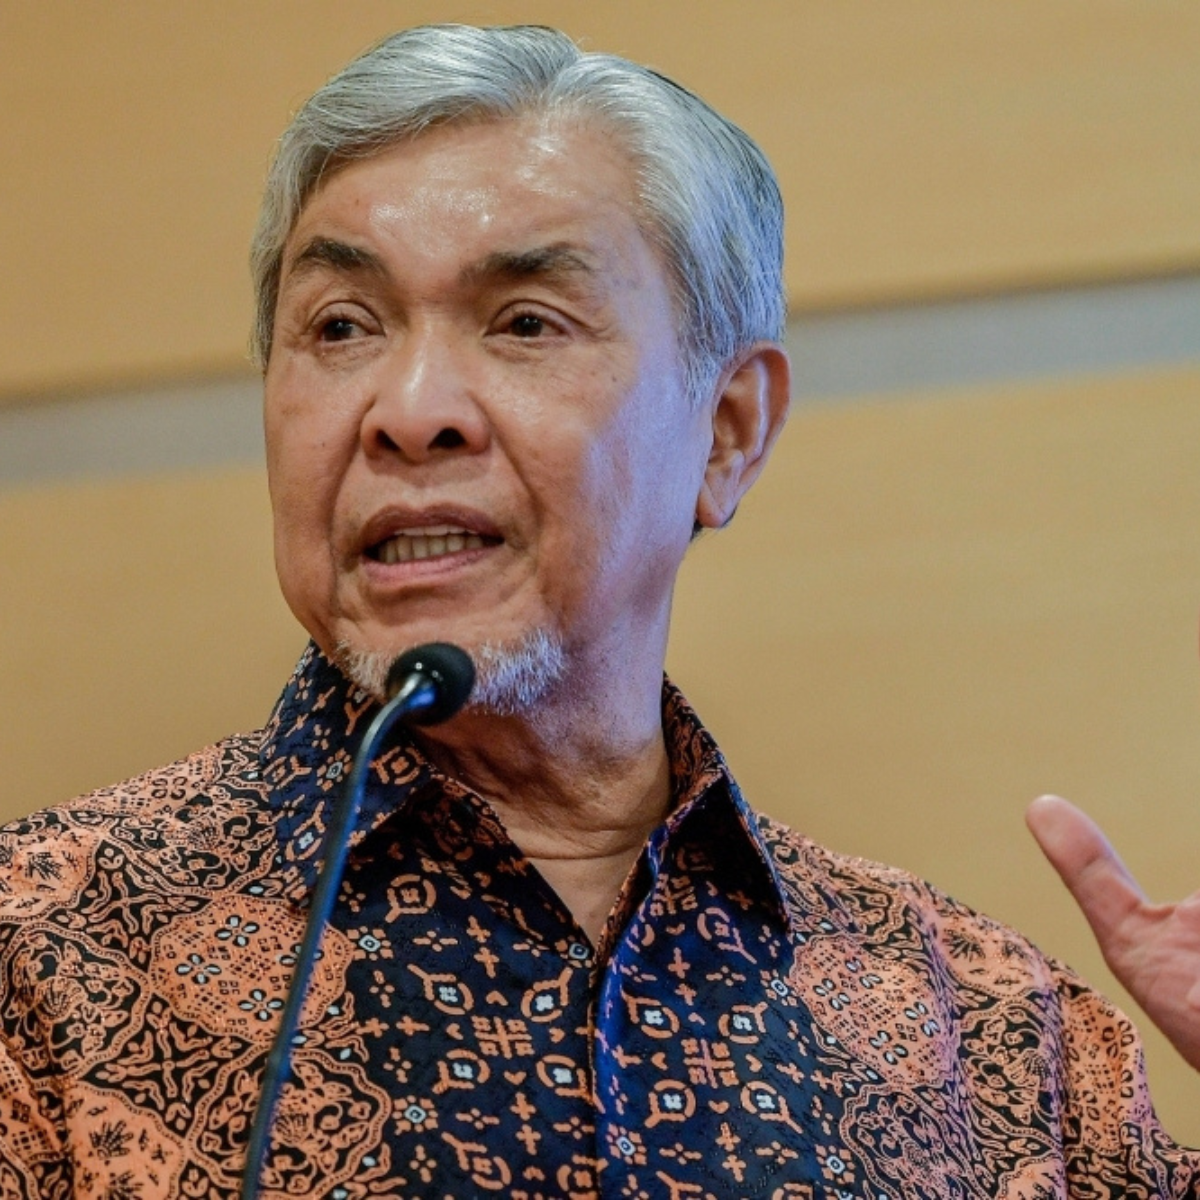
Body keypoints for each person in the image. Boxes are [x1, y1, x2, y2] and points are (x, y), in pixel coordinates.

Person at [0, 23, 1197, 1199]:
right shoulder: (40, 957)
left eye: (526, 322)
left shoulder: (994, 1036)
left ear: (726, 434)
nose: (409, 412)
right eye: (341, 327)